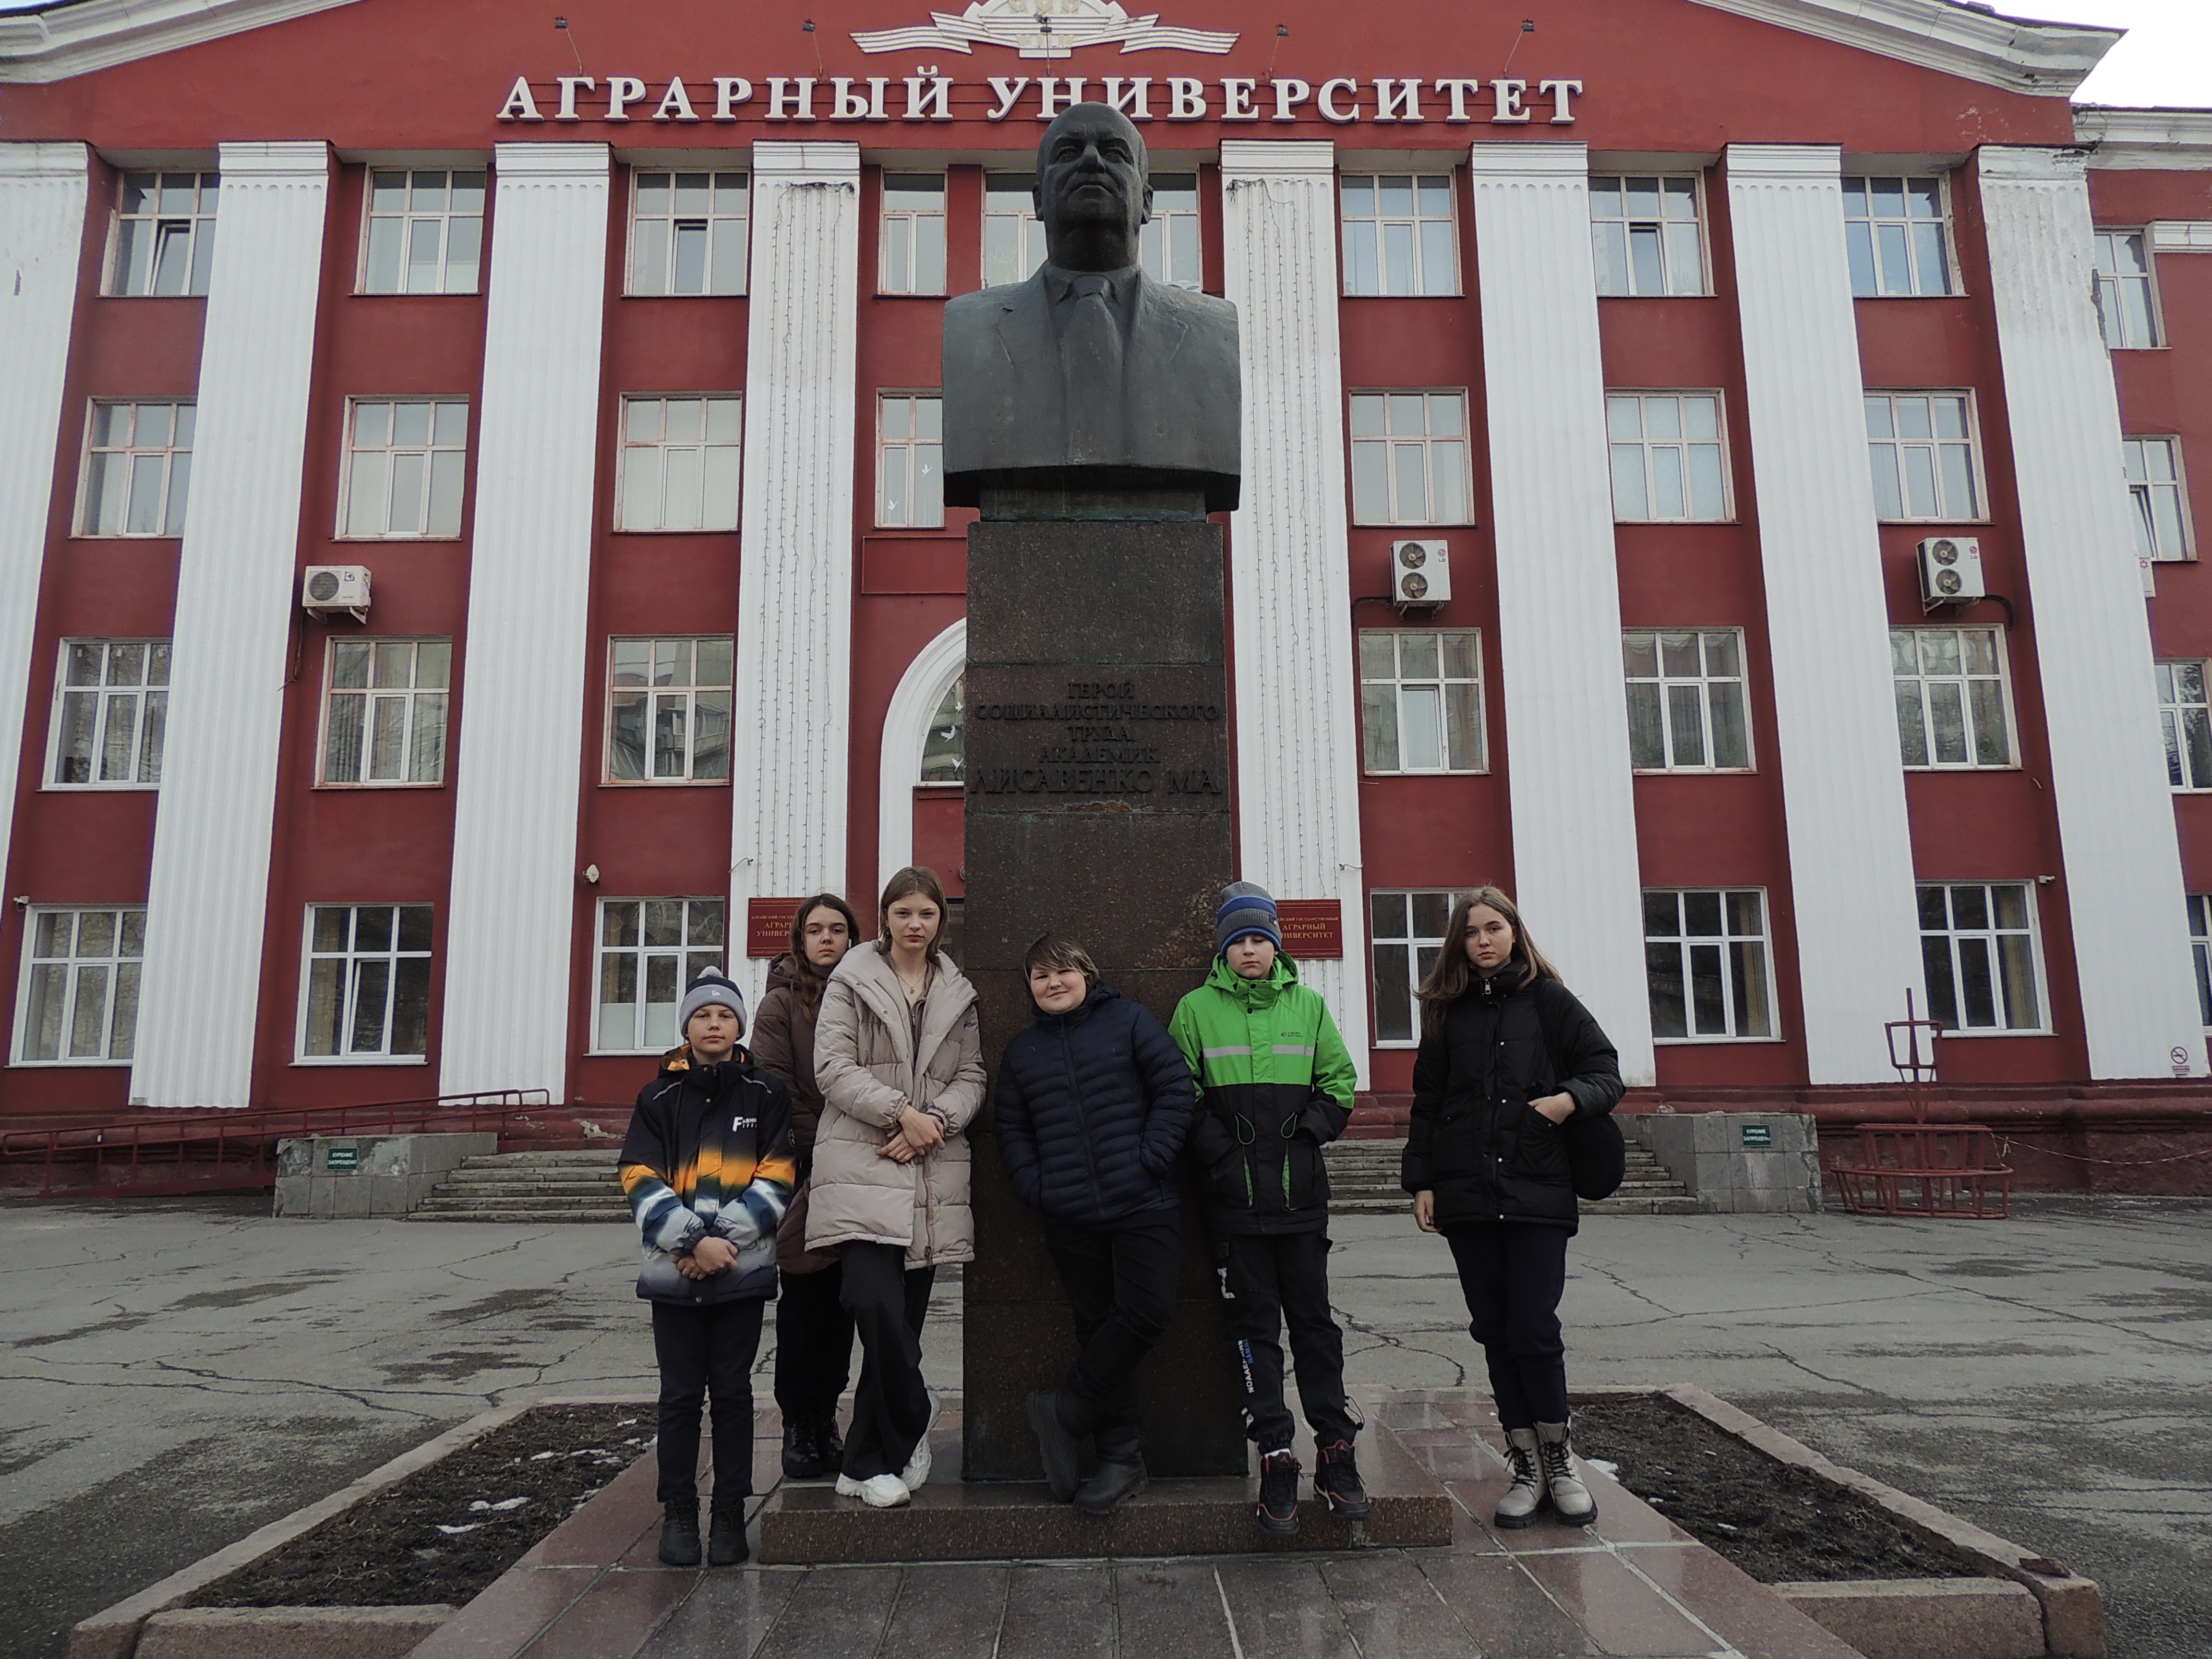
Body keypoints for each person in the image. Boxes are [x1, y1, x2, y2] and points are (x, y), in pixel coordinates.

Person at [1402, 887, 1624, 1530]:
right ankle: (1525, 1464)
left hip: (1536, 1191)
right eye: (1471, 933)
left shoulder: (1551, 1002)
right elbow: (1428, 1101)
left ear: (1514, 933)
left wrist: (1565, 1102)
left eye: (1493, 928)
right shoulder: (1447, 1013)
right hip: (1467, 1195)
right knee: (1495, 1331)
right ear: (1459, 945)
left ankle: (1560, 1460)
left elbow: (1606, 1073)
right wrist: (1422, 1181)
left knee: (1533, 1328)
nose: (1483, 941)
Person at [1170, 882, 1368, 1536]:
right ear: (1224, 951)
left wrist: (1308, 1132)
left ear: (1276, 946)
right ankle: (1276, 1453)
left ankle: (1336, 1449)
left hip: (1301, 1203)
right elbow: (1181, 1090)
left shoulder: (1308, 1005)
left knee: (1316, 1328)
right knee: (1256, 1334)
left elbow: (1340, 1081)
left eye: (1260, 940)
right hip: (1236, 1208)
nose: (1250, 951)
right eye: (1239, 942)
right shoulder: (1196, 1009)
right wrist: (1222, 1155)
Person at [996, 935, 1196, 1514]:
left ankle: (1067, 1410)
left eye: (1063, 972)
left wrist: (1151, 1158)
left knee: (1145, 1313)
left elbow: (1174, 1090)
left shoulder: (1131, 1021)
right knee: (1097, 1328)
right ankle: (1120, 1459)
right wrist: (1037, 1187)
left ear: (1087, 973)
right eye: (1039, 976)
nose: (1053, 983)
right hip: (1070, 1213)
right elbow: (1011, 1131)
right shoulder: (1022, 1052)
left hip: (1143, 1203)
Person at [807, 866, 986, 1508]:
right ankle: (913, 1406)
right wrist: (898, 1113)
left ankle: (863, 1464)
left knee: (902, 1323)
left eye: (927, 914)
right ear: (885, 917)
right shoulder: (851, 981)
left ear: (941, 922)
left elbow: (972, 1075)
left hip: (928, 1166)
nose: (915, 924)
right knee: (871, 1302)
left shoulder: (958, 991)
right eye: (903, 912)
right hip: (864, 1160)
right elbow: (832, 1067)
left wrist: (934, 1122)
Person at [618, 967, 797, 1568]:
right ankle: (679, 1514)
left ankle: (728, 1513)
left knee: (733, 1394)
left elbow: (778, 1177)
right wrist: (692, 1242)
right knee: (678, 1398)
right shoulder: (658, 1098)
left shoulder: (765, 1093)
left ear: (740, 1025)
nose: (714, 1024)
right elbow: (639, 1176)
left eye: (724, 1015)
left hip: (741, 1275)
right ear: (687, 1027)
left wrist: (724, 1244)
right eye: (703, 1015)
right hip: (675, 1276)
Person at [750, 892, 864, 1481]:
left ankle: (828, 1419)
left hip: (860, 1172)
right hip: (807, 1173)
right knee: (804, 1302)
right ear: (800, 938)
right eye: (816, 929)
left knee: (844, 1302)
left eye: (837, 929)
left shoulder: (868, 994)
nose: (827, 939)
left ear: (853, 937)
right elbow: (775, 1089)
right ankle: (799, 1422)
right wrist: (830, 1150)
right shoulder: (778, 1005)